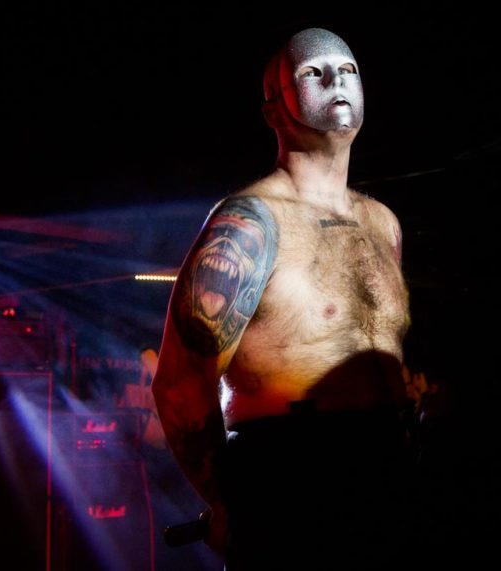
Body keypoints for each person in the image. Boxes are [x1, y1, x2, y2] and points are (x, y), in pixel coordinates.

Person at [152, 27, 419, 570]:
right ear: (273, 110)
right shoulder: (250, 224)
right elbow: (180, 383)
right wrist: (224, 500)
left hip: (391, 474)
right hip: (290, 483)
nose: (336, 81)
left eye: (348, 70)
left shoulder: (383, 224)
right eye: (312, 72)